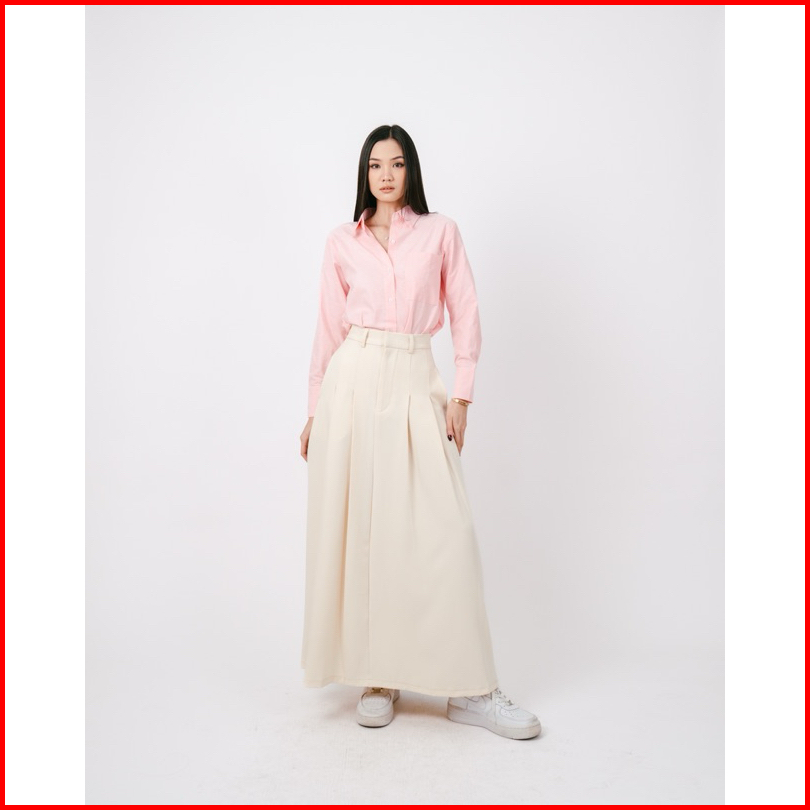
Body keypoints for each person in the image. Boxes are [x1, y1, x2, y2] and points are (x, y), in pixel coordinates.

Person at [299, 124, 541, 741]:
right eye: (376, 164)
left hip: (414, 375)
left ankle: (472, 689)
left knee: (446, 531)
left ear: (411, 171)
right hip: (352, 384)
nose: (386, 175)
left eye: (398, 163)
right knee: (367, 534)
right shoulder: (341, 242)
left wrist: (462, 395)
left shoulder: (440, 233)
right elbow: (327, 330)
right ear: (364, 172)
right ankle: (378, 676)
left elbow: (466, 310)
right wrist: (315, 410)